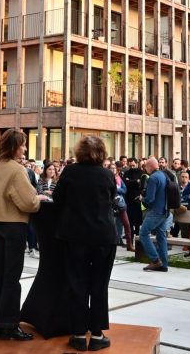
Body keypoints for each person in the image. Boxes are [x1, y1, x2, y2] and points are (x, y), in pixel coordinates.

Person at [0, 129, 48, 341]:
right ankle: (9, 325)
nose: (25, 149)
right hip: (14, 226)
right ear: (14, 146)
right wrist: (41, 198)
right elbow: (28, 201)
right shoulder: (16, 170)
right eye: (23, 145)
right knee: (12, 277)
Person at [53, 135, 116, 352]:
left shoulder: (70, 172)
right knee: (99, 285)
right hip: (103, 236)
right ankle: (97, 335)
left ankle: (79, 334)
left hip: (76, 236)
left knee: (77, 283)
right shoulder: (108, 174)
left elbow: (57, 199)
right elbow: (112, 198)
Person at [139, 157, 172, 272]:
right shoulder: (163, 175)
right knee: (161, 236)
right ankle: (164, 264)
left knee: (143, 233)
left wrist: (142, 198)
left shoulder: (153, 178)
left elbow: (150, 199)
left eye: (146, 167)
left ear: (150, 167)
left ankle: (155, 260)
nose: (145, 169)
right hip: (165, 211)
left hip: (156, 212)